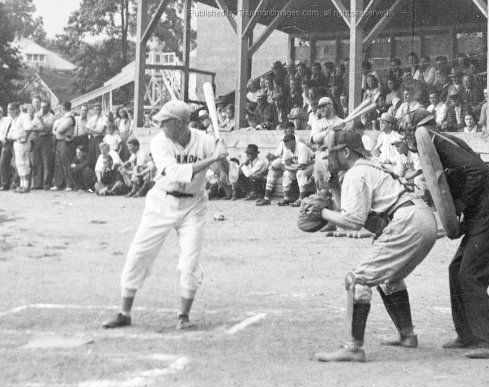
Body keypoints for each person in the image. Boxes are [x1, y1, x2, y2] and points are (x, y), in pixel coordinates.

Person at [102, 100, 229, 330]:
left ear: (179, 123)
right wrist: (212, 158)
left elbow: (230, 176)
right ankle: (124, 313)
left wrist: (223, 158)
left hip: (194, 205)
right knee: (139, 252)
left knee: (190, 262)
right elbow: (178, 173)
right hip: (162, 201)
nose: (161, 126)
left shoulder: (206, 141)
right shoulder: (160, 142)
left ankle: (184, 316)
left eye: (165, 122)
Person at [314, 130, 437, 362]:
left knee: (358, 280)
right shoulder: (371, 166)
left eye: (332, 153)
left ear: (346, 152)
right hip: (423, 218)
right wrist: (333, 188)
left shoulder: (356, 174)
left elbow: (353, 221)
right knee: (389, 278)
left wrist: (322, 212)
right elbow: (351, 210)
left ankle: (353, 348)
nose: (328, 158)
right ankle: (407, 335)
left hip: (406, 221)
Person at [407, 110, 489, 359]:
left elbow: (476, 173)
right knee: (456, 270)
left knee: (470, 275)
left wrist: (460, 205)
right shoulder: (442, 143)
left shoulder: (440, 143)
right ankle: (467, 335)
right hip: (485, 209)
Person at [256, 133, 314, 207]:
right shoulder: (287, 148)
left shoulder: (301, 147)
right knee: (286, 173)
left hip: (311, 165)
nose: (286, 143)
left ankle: (301, 200)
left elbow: (302, 166)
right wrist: (292, 167)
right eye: (285, 142)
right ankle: (287, 198)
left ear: (293, 141)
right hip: (297, 166)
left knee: (300, 173)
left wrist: (290, 166)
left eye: (288, 141)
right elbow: (284, 165)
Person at [29, 99, 56, 190]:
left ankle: (46, 184)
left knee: (46, 161)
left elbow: (47, 129)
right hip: (37, 138)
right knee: (37, 161)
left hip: (47, 138)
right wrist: (39, 128)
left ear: (49, 107)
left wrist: (41, 122)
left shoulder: (52, 117)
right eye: (42, 107)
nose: (43, 109)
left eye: (45, 107)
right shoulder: (37, 114)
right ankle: (37, 184)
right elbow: (32, 126)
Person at [51, 101, 76, 191]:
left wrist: (57, 127)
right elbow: (54, 130)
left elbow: (60, 130)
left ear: (63, 108)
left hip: (66, 141)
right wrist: (57, 128)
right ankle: (58, 183)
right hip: (60, 141)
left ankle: (69, 184)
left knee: (66, 162)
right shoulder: (63, 118)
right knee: (58, 162)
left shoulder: (70, 118)